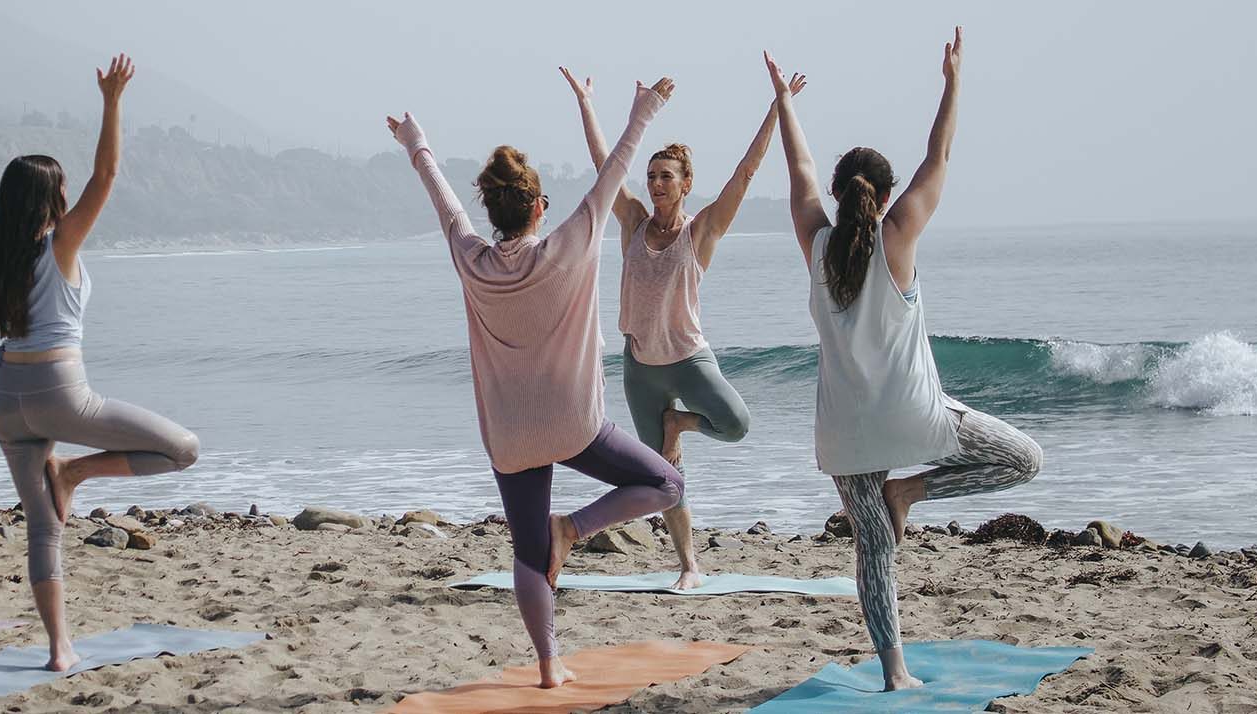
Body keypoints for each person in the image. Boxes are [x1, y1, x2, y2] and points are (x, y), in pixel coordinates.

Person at [383, 77, 683, 689]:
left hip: (511, 437)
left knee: (525, 554)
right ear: (540, 206)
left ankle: (549, 667)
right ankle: (573, 528)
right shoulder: (569, 246)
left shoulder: (470, 257)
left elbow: (443, 200)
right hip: (575, 426)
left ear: (491, 213)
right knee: (666, 484)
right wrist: (644, 110)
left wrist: (416, 142)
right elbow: (615, 171)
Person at [767, 28, 1043, 690]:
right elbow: (939, 154)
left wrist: (785, 103)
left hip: (845, 435)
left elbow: (798, 173)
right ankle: (913, 489)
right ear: (885, 197)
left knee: (874, 551)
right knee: (1024, 460)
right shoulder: (899, 238)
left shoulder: (816, 246)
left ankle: (895, 673)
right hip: (916, 420)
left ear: (837, 196)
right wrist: (952, 82)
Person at [0, 55, 200, 672]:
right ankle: (73, 473)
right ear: (53, 197)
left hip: (6, 406)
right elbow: (108, 174)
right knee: (183, 450)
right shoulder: (62, 243)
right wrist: (112, 100)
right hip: (59, 394)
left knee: (42, 530)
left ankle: (59, 649)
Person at [558, 66, 806, 589]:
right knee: (666, 481)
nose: (655, 184)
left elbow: (746, 172)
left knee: (736, 424)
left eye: (666, 176)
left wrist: (776, 107)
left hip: (690, 360)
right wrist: (585, 102)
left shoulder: (703, 231)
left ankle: (681, 424)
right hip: (641, 367)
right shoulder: (630, 222)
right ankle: (689, 565)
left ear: (686, 183)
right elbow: (607, 164)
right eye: (651, 176)